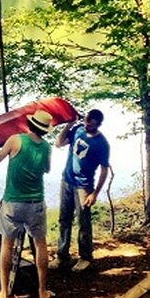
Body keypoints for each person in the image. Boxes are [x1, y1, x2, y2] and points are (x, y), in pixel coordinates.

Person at [0, 109, 55, 298]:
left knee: (7, 245)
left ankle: (4, 294)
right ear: (44, 130)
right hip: (36, 203)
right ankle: (42, 291)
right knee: (40, 244)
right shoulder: (47, 148)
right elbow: (47, 169)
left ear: (29, 124)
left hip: (13, 202)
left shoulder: (15, 140)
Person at [50, 108, 110, 272]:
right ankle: (62, 256)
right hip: (67, 180)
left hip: (84, 186)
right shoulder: (77, 130)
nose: (86, 125)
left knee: (83, 222)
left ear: (98, 124)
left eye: (90, 124)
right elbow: (58, 143)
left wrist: (95, 193)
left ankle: (85, 257)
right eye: (85, 121)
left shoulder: (102, 144)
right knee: (64, 219)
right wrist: (69, 124)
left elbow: (104, 170)